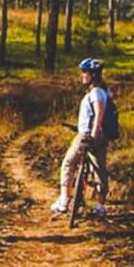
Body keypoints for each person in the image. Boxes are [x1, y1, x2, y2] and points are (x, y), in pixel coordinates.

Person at [51, 58, 110, 217]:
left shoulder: (96, 92)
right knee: (99, 169)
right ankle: (100, 206)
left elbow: (99, 112)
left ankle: (64, 201)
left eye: (84, 72)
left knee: (68, 162)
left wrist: (94, 131)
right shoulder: (104, 91)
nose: (82, 75)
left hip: (88, 135)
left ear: (92, 75)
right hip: (101, 136)